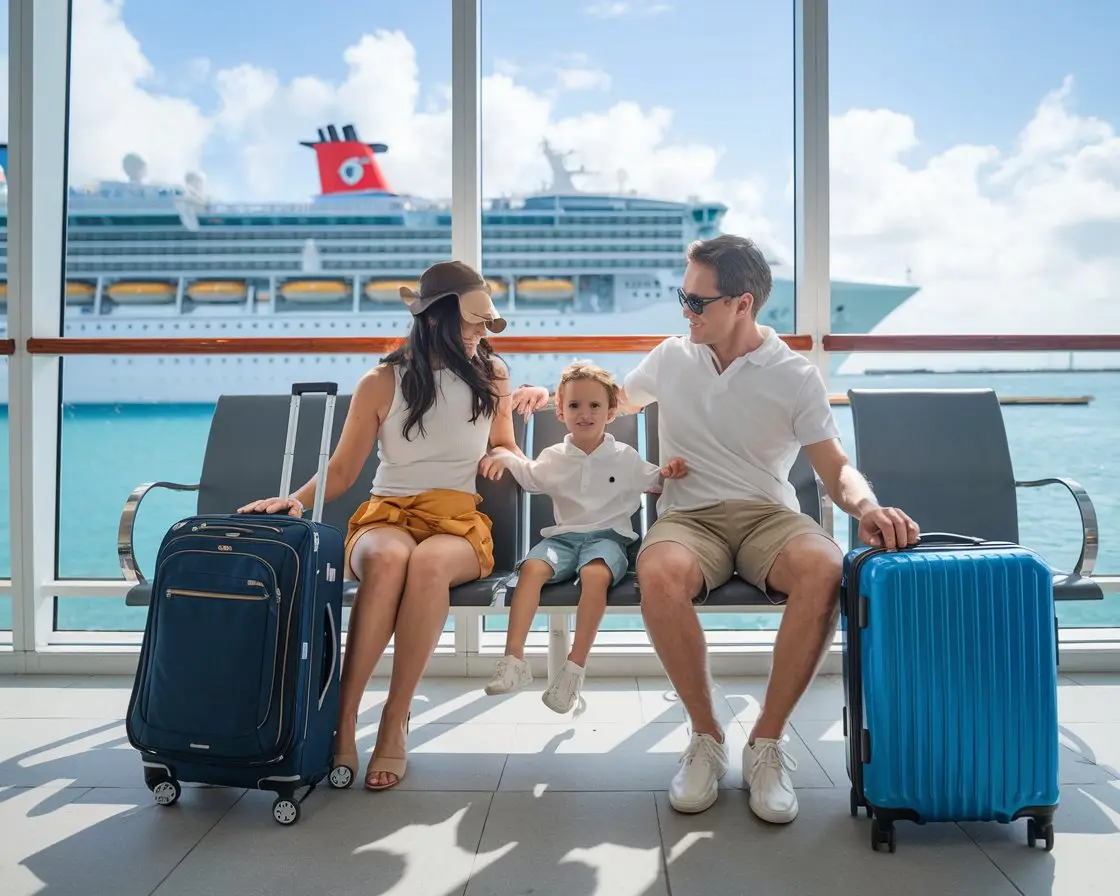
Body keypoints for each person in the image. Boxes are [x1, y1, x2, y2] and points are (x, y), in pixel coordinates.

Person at [511, 235, 920, 822]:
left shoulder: (794, 374)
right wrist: (545, 393)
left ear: (742, 303)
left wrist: (869, 508)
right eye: (684, 296)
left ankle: (767, 744)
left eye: (696, 301)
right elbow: (609, 402)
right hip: (687, 516)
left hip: (766, 514)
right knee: (659, 571)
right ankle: (706, 738)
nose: (685, 310)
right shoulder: (671, 357)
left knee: (824, 567)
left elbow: (835, 468)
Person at [237, 260, 525, 792]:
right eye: (474, 321)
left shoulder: (494, 375)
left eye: (488, 323)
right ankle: (343, 720)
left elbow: (502, 440)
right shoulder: (381, 381)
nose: (483, 333)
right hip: (387, 514)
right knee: (391, 560)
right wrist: (294, 500)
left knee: (430, 563)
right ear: (437, 318)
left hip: (457, 518)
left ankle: (395, 718)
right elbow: (343, 471)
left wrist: (513, 454)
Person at [478, 360, 688, 713]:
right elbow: (529, 476)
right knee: (531, 569)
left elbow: (656, 481)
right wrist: (502, 453)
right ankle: (514, 660)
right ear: (560, 412)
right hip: (563, 539)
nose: (585, 414)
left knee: (594, 575)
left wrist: (672, 472)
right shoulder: (554, 457)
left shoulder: (624, 456)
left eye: (595, 406)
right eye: (575, 405)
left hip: (609, 539)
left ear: (611, 413)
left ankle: (574, 668)